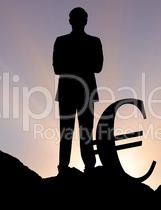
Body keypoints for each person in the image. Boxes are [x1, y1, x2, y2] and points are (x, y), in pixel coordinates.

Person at [52, 7, 103, 175]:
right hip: (73, 91)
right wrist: (83, 61)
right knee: (69, 132)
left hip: (82, 91)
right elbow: (57, 69)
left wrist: (72, 61)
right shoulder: (63, 41)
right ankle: (65, 168)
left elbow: (98, 67)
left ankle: (87, 167)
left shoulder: (92, 41)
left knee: (83, 132)